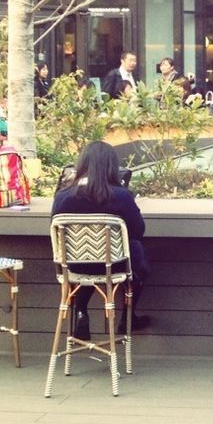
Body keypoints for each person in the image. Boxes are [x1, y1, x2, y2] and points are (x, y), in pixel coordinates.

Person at [52, 141, 151, 339]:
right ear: (112, 167)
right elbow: (138, 230)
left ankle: (81, 311)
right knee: (137, 253)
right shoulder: (121, 196)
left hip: (75, 267)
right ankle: (127, 318)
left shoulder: (63, 196)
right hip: (114, 267)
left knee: (89, 261)